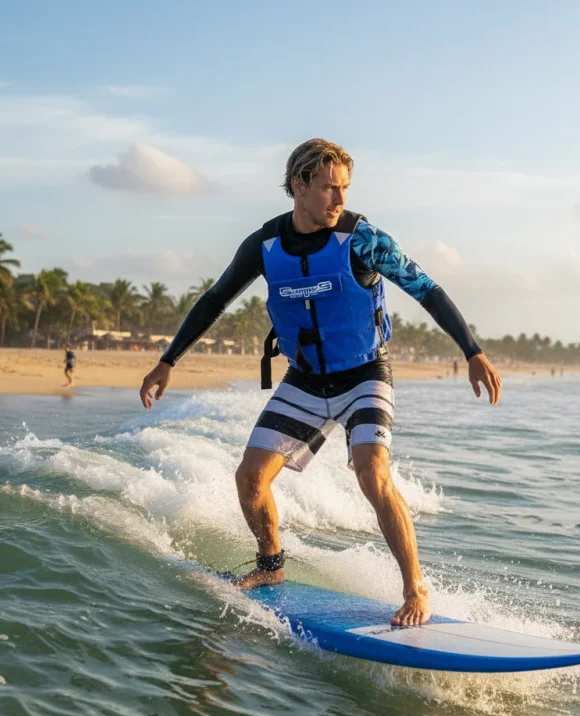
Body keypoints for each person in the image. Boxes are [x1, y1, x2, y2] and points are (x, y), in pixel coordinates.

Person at [139, 139, 501, 626]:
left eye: (345, 188)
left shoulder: (364, 240)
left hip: (364, 373)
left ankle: (415, 590)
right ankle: (271, 565)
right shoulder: (264, 246)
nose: (339, 199)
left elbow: (427, 290)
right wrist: (168, 361)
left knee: (372, 473)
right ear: (298, 186)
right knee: (250, 478)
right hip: (306, 379)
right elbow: (213, 301)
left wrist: (472, 350)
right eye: (330, 188)